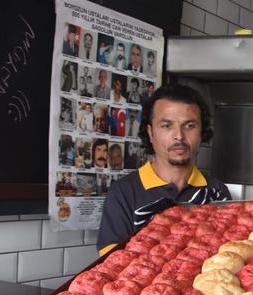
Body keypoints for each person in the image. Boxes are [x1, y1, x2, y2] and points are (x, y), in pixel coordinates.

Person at [97, 83, 231, 255]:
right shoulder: (124, 192)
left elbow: (227, 253)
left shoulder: (216, 192)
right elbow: (113, 262)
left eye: (189, 125)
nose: (179, 136)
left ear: (201, 132)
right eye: (167, 125)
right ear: (151, 132)